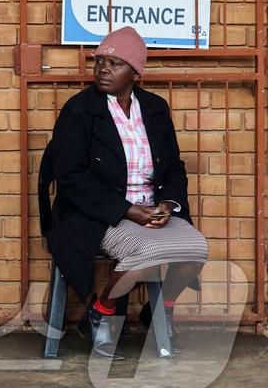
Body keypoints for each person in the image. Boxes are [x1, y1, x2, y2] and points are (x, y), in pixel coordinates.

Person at [42, 26, 208, 359]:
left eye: (115, 63)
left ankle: (160, 310)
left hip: (151, 208)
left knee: (196, 250)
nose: (103, 69)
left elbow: (173, 167)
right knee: (142, 249)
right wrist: (126, 210)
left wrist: (167, 204)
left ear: (135, 72)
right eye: (99, 61)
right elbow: (70, 177)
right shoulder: (79, 111)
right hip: (96, 212)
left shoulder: (155, 109)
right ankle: (98, 314)